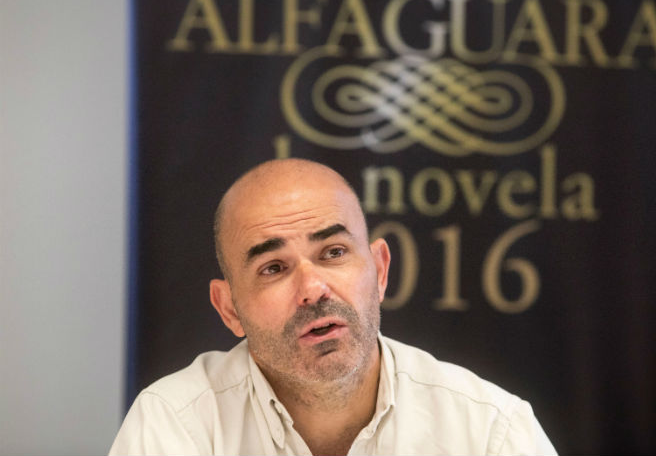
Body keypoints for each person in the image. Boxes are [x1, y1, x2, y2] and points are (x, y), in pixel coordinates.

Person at [110, 158, 556, 455]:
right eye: (273, 268)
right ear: (228, 309)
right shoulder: (176, 426)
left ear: (380, 271)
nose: (313, 288)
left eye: (334, 253)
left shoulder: (488, 431)